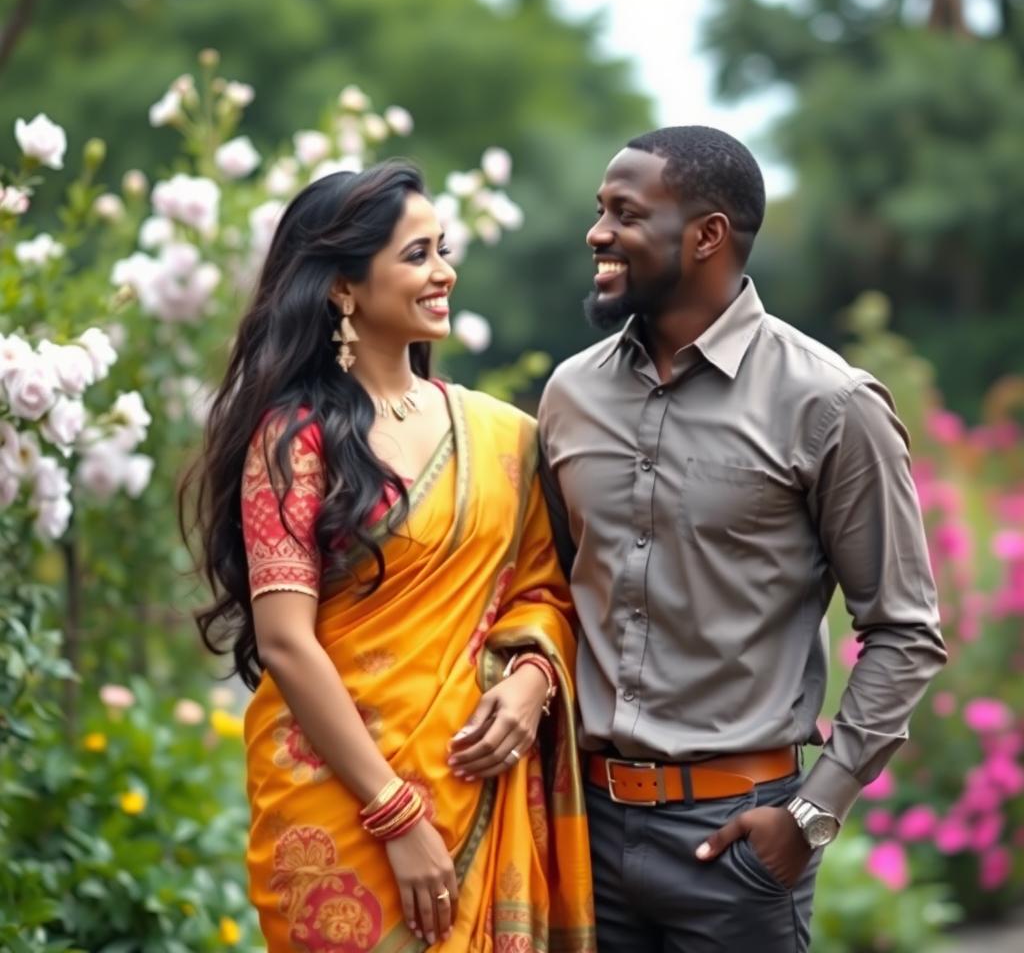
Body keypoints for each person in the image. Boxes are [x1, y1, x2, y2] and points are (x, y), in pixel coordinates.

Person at [537, 126, 947, 952]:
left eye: (625, 212)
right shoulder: (570, 396)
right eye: (599, 210)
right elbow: (546, 589)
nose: (598, 232)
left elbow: (905, 632)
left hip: (734, 847)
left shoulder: (830, 403)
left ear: (706, 234)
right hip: (583, 835)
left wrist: (813, 811)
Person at [182, 161, 594, 952]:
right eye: (417, 255)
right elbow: (285, 642)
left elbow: (546, 594)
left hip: (481, 781)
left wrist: (533, 684)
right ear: (343, 287)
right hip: (339, 809)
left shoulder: (505, 437)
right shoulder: (295, 437)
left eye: (442, 249)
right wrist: (395, 814)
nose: (445, 272)